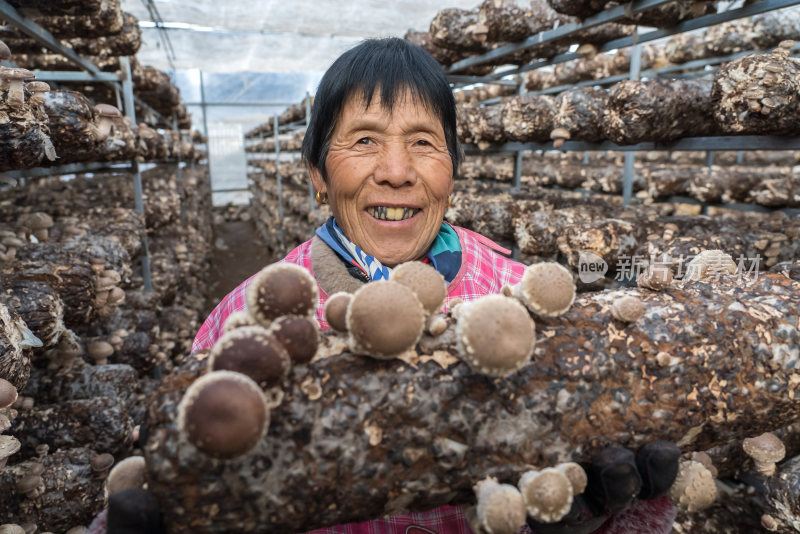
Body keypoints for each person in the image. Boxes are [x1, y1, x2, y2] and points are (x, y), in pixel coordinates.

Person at [190, 38, 679, 534]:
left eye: (423, 142)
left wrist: (608, 520)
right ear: (317, 173)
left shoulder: (518, 297)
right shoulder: (244, 328)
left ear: (453, 171)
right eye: (364, 141)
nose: (397, 173)